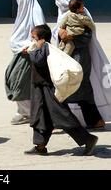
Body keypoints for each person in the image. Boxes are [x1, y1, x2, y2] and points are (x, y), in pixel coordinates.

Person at [24, 24, 98, 156]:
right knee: (40, 117)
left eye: (34, 38)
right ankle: (40, 146)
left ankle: (88, 139)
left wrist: (31, 51)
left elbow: (38, 60)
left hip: (49, 90)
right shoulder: (38, 48)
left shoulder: (45, 47)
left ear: (42, 39)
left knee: (62, 116)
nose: (32, 41)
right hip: (39, 88)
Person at [52, 0, 111, 128]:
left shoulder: (82, 13)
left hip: (80, 56)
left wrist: (69, 36)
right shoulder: (64, 16)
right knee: (65, 87)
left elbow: (87, 36)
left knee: (79, 86)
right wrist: (60, 34)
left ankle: (93, 120)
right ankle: (65, 120)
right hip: (65, 57)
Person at [5, 0, 45, 125]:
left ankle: (27, 112)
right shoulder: (22, 12)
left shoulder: (36, 12)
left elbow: (42, 35)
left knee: (18, 82)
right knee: (13, 79)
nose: (20, 1)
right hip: (19, 53)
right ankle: (25, 110)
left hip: (28, 55)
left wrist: (30, 47)